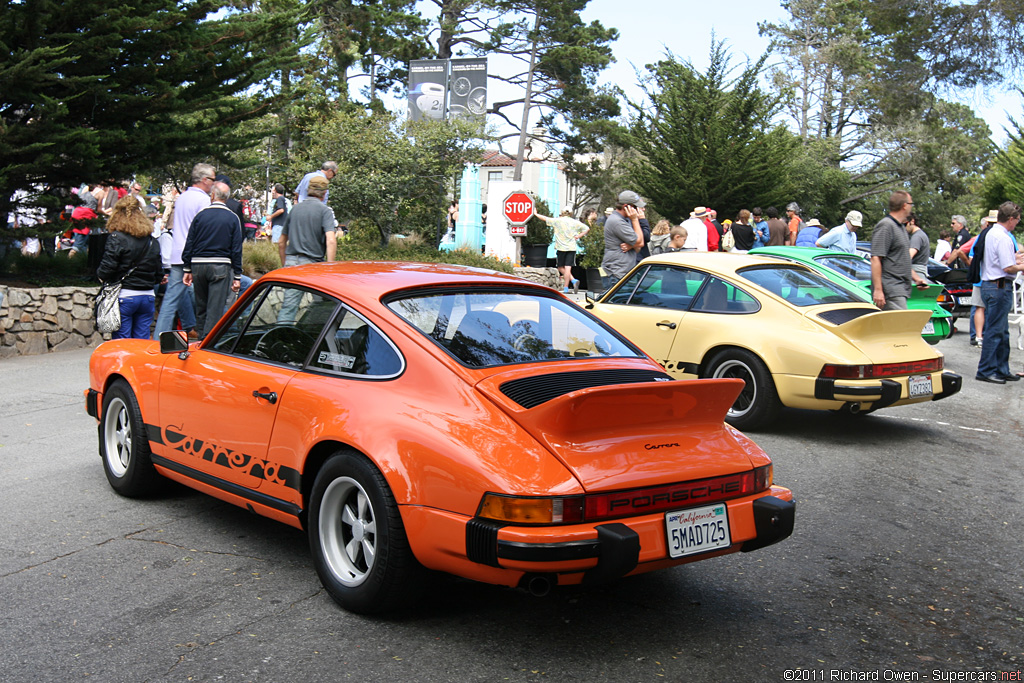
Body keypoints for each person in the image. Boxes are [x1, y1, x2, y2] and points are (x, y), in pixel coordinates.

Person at [153, 162, 215, 339]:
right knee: (207, 298)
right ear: (204, 180)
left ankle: (158, 338)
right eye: (212, 179)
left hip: (178, 254)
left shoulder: (182, 197)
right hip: (196, 255)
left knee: (170, 301)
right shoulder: (203, 200)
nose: (213, 183)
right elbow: (204, 229)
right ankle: (208, 338)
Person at [181, 182, 243, 339]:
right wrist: (237, 275)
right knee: (215, 308)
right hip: (220, 265)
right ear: (227, 198)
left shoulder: (200, 216)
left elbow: (190, 243)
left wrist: (187, 268)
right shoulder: (232, 218)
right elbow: (236, 249)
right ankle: (208, 341)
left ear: (213, 195)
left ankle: (200, 338)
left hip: (198, 264)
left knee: (201, 307)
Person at [95, 196, 163, 340]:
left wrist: (101, 276)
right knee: (141, 343)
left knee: (123, 344)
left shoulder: (117, 238)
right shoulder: (152, 241)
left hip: (125, 296)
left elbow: (107, 269)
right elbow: (158, 274)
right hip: (147, 296)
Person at [975, 201, 1024, 384]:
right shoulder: (1003, 237)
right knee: (995, 330)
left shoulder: (992, 232)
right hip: (998, 286)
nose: (1017, 223)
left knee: (1002, 331)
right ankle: (986, 370)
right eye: (1017, 220)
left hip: (993, 285)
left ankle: (1001, 369)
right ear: (1011, 219)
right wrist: (1021, 265)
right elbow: (1008, 267)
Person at [870, 190, 927, 310]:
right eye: (911, 204)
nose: (911, 207)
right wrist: (878, 290)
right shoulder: (886, 226)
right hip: (890, 289)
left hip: (901, 289)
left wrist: (917, 279)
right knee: (902, 327)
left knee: (895, 328)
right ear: (905, 205)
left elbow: (901, 260)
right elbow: (875, 258)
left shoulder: (901, 227)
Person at [279, 175, 337, 267]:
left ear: (308, 190)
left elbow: (281, 242)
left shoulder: (294, 209)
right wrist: (329, 267)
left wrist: (284, 264)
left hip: (290, 262)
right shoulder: (325, 211)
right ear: (325, 192)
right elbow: (331, 241)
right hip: (311, 264)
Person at [535, 208, 590, 293]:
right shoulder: (574, 222)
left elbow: (545, 218)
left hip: (561, 247)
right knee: (568, 267)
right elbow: (586, 228)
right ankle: (570, 284)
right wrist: (579, 236)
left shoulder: (558, 221)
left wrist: (536, 214)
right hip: (571, 247)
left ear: (562, 213)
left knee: (560, 267)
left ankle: (568, 286)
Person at [601, 190, 645, 286]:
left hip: (624, 272)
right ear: (626, 207)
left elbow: (638, 246)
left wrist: (631, 245)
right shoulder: (617, 221)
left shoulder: (624, 220)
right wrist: (635, 219)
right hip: (617, 273)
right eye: (635, 207)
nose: (638, 209)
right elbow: (640, 242)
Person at [906, 213, 930, 279]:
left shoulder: (917, 237)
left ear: (912, 221)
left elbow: (908, 257)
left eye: (905, 224)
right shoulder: (919, 235)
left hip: (916, 274)